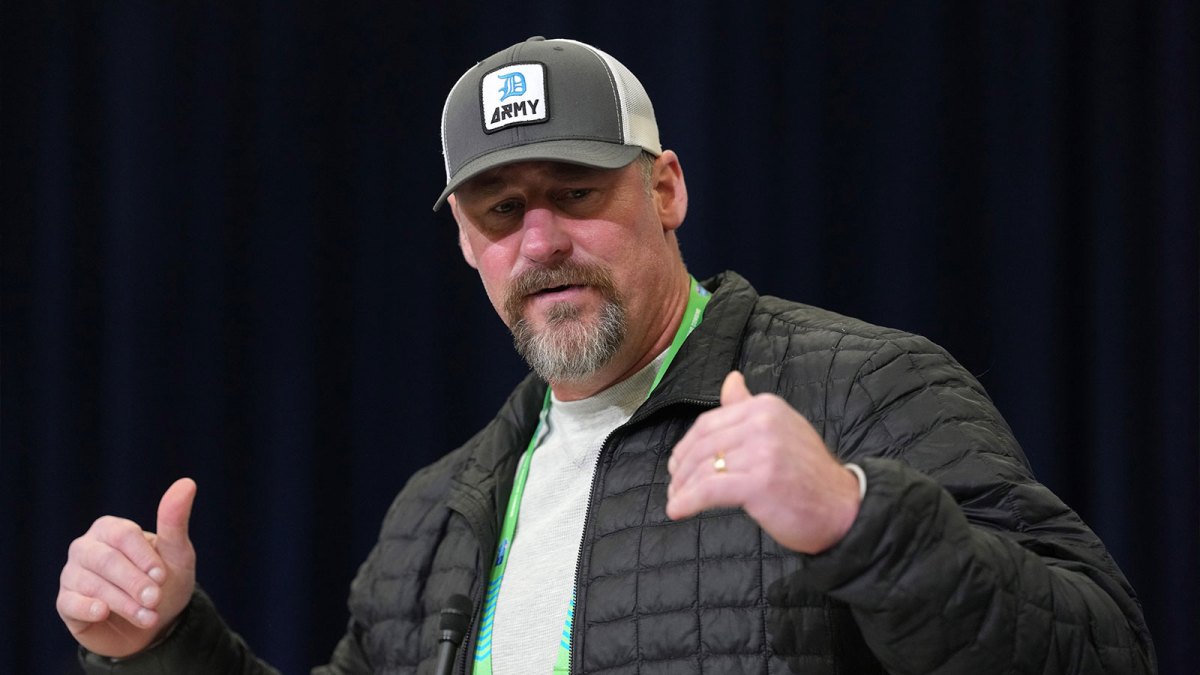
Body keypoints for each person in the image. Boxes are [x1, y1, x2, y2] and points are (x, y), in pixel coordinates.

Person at [57, 36, 1157, 674]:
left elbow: (1106, 651)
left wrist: (859, 520)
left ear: (666, 187)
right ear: (464, 246)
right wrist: (161, 645)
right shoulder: (437, 512)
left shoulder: (863, 389)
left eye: (575, 194)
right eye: (499, 213)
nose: (540, 242)